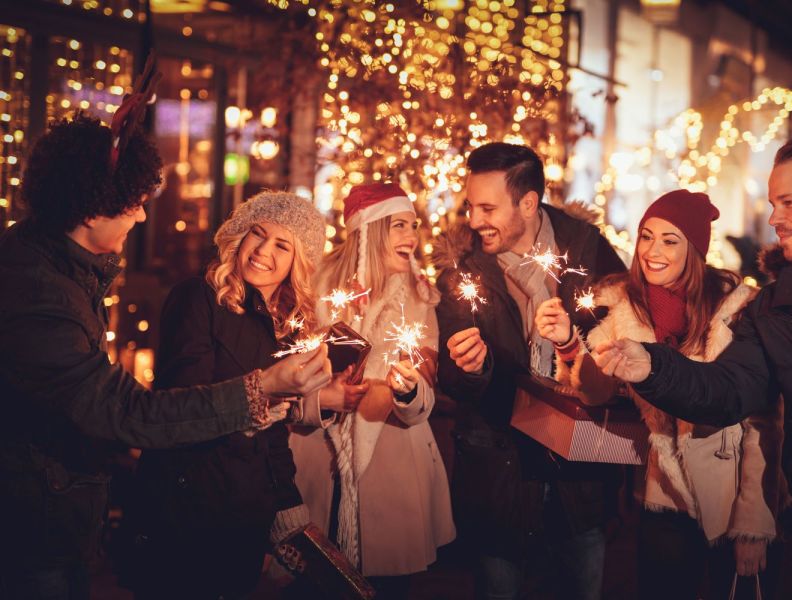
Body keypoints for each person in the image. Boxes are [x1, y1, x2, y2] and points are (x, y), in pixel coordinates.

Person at [0, 115, 330, 599]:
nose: (141, 217)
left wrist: (284, 499)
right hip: (49, 525)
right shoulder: (39, 294)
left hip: (76, 518)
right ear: (92, 210)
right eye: (133, 205)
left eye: (284, 246)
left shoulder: (62, 270)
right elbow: (129, 412)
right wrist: (264, 390)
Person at [595, 135, 792, 599]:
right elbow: (729, 389)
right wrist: (654, 368)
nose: (774, 217)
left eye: (788, 202)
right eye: (773, 202)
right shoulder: (777, 304)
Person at [535, 189, 783, 600]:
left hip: (733, 495)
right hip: (664, 496)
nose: (653, 251)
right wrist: (567, 344)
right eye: (647, 236)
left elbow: (763, 420)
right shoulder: (623, 311)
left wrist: (753, 521)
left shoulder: (736, 310)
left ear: (694, 250)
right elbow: (595, 393)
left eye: (670, 240)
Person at [433, 142, 625, 599]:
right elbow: (453, 377)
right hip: (499, 470)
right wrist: (471, 368)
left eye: (487, 207)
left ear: (528, 202)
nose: (475, 220)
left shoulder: (587, 251)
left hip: (578, 475)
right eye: (470, 206)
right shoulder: (463, 269)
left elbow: (623, 344)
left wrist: (573, 344)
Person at [125, 191, 331, 598]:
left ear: (297, 262)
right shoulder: (198, 297)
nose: (262, 251)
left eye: (281, 244)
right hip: (185, 508)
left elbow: (274, 436)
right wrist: (262, 399)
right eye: (258, 233)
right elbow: (182, 405)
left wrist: (288, 508)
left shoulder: (281, 326)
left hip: (243, 515)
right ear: (240, 235)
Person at [290, 183, 455, 598]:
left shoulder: (420, 297)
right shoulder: (313, 288)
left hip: (393, 467)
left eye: (413, 226)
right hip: (317, 463)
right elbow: (286, 372)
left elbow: (424, 398)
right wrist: (323, 396)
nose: (412, 237)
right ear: (370, 230)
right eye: (400, 225)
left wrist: (406, 392)